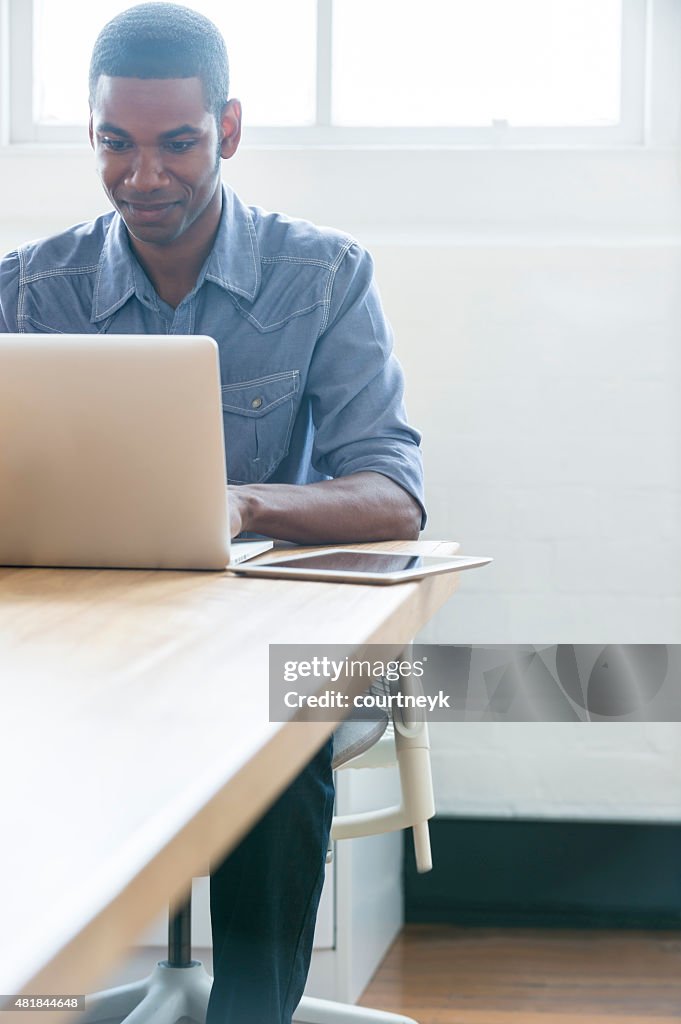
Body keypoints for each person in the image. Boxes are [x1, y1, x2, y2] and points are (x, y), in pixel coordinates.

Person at [0, 4, 425, 1021]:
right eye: (117, 144)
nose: (145, 177)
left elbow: (395, 494)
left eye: (177, 144)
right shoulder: (28, 290)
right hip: (81, 655)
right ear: (92, 133)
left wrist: (235, 500)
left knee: (278, 734)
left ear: (228, 129)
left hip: (263, 647)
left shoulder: (321, 274)